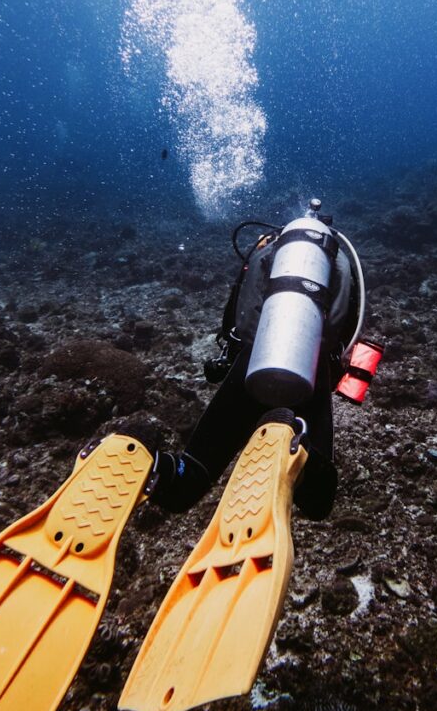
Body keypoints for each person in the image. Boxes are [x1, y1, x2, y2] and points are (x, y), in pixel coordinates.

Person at [146, 200, 364, 521]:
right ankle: (291, 447)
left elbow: (233, 323)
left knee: (188, 480)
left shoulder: (266, 251)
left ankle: (145, 463)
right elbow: (349, 332)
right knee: (318, 504)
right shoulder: (342, 262)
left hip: (252, 364)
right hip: (311, 372)